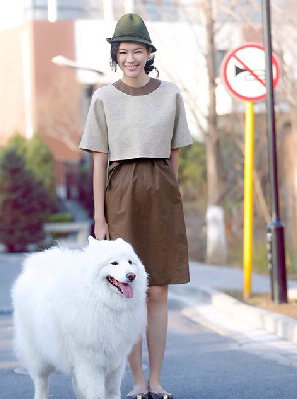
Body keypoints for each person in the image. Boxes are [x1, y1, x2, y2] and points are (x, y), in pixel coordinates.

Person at [79, 13, 192, 399]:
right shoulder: (103, 98)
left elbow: (175, 152)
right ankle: (137, 381)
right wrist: (99, 217)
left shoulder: (171, 93)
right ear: (116, 55)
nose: (130, 58)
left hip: (161, 190)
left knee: (158, 289)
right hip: (120, 192)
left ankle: (156, 381)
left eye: (137, 50)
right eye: (123, 51)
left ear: (149, 53)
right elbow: (99, 159)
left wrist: (167, 190)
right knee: (128, 291)